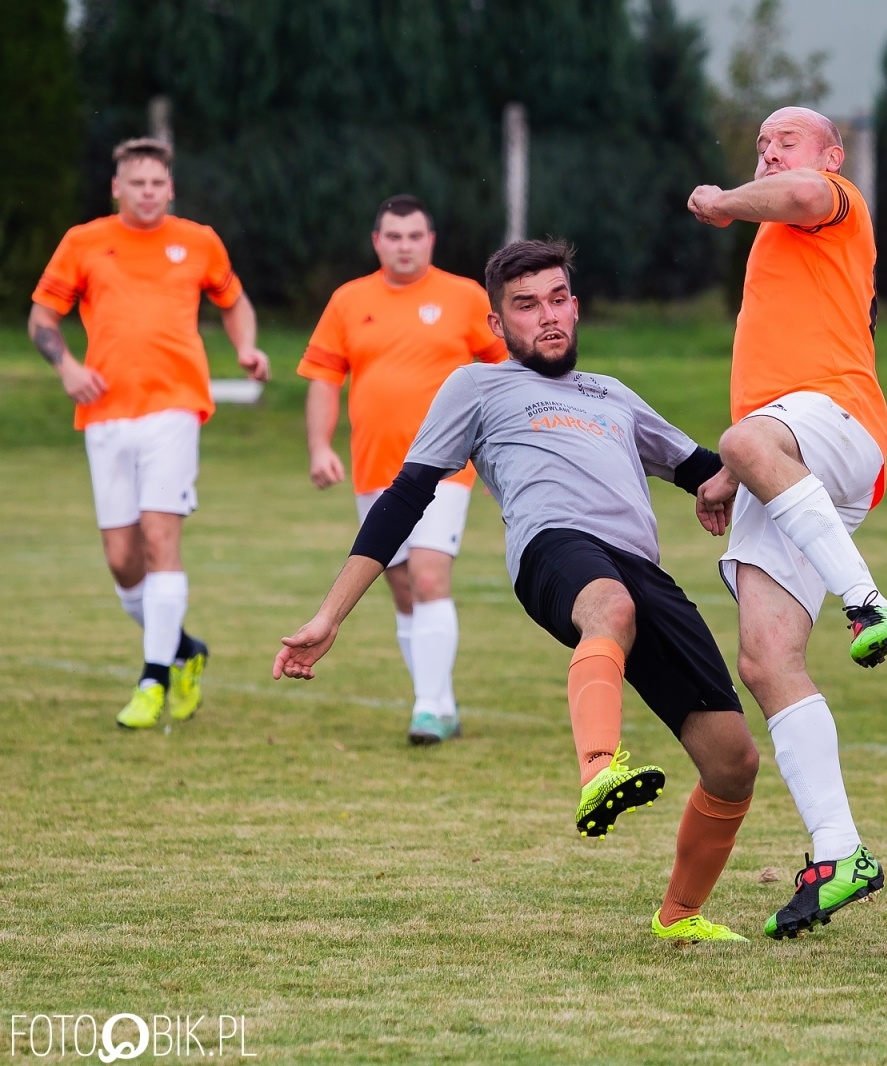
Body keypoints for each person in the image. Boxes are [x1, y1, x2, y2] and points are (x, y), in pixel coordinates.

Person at [274, 239, 760, 943]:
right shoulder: (477, 386)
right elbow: (403, 498)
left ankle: (680, 917)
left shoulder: (612, 394)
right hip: (552, 549)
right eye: (526, 306)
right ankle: (598, 772)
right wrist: (329, 616)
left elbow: (705, 469)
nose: (548, 316)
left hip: (640, 567)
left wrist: (760, 461)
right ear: (498, 324)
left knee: (734, 761)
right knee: (611, 607)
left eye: (558, 299)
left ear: (576, 307)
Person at [687, 106, 887, 939]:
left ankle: (869, 603)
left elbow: (799, 193)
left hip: (839, 418)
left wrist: (723, 200)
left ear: (832, 154)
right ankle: (841, 851)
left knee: (744, 439)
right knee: (765, 658)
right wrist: (734, 471)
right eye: (760, 143)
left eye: (785, 141)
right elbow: (764, 400)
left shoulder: (832, 199)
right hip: (787, 448)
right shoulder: (778, 243)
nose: (768, 151)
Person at [28, 137, 270, 729]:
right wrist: (67, 367)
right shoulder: (84, 242)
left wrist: (246, 347)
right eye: (136, 183)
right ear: (117, 188)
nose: (147, 193)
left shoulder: (198, 241)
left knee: (161, 540)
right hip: (105, 414)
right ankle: (184, 650)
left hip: (175, 410)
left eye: (157, 183)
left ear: (171, 189)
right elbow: (41, 318)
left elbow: (234, 301)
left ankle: (153, 679)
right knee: (122, 560)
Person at [297, 195, 507, 745]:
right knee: (402, 589)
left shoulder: (465, 297)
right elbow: (324, 378)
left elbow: (506, 374)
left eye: (415, 236)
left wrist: (504, 454)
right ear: (377, 242)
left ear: (430, 241)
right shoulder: (349, 300)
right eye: (394, 236)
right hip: (376, 469)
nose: (405, 246)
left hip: (447, 467)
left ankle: (428, 709)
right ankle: (439, 703)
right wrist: (319, 446)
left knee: (430, 576)